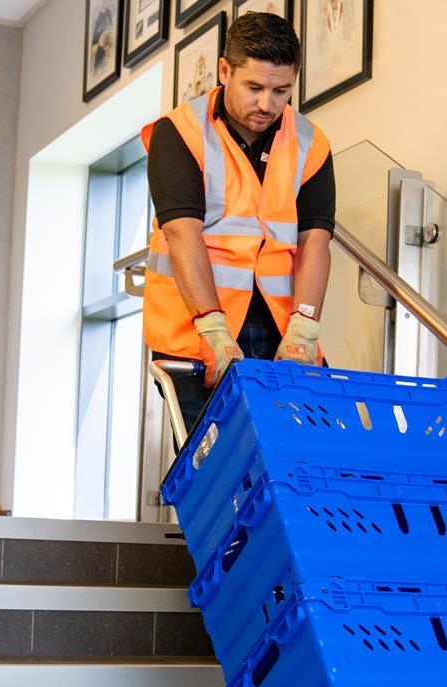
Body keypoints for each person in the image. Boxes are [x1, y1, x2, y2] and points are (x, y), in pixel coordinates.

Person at [141, 11, 336, 432]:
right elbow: (181, 232)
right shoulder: (179, 133)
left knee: (304, 461)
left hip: (283, 334)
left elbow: (315, 241)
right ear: (225, 71)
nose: (267, 104)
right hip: (198, 333)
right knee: (218, 475)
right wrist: (212, 328)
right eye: (255, 87)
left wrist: (304, 326)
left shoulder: (310, 142)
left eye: (281, 90)